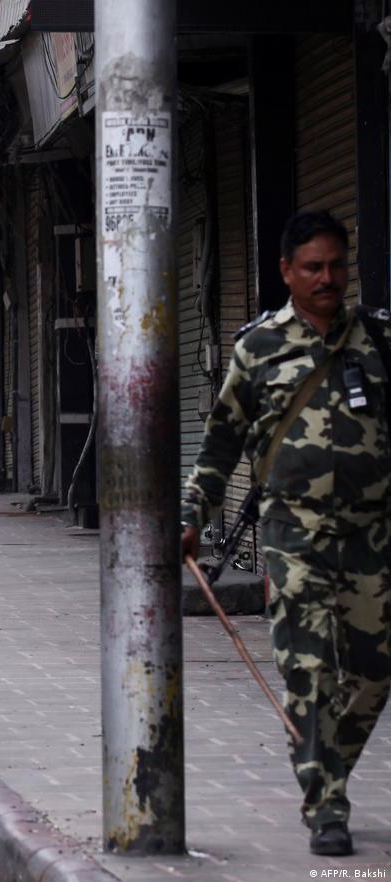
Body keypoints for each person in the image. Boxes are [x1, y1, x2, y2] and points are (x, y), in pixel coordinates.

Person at [182, 211, 391, 857]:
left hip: (372, 537)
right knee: (308, 669)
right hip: (293, 532)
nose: (327, 278)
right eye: (312, 268)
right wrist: (192, 515)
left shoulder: (379, 339)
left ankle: (324, 762)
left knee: (373, 674)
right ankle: (325, 802)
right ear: (286, 272)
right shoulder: (258, 347)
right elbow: (219, 446)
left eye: (336, 265)